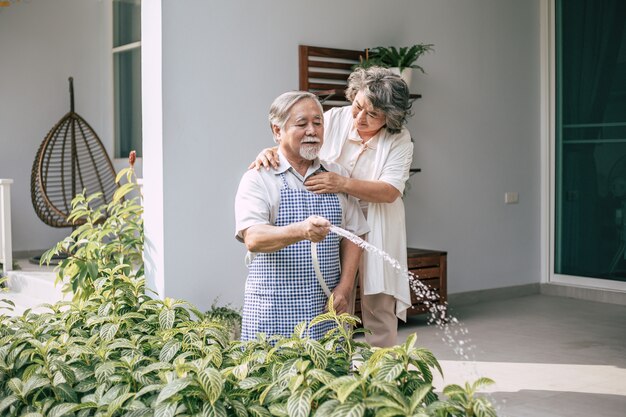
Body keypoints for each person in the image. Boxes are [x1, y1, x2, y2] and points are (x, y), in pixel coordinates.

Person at [250, 67, 413, 347]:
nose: (360, 118)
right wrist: (271, 151)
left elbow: (389, 192)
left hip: (378, 221)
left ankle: (383, 374)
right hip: (335, 218)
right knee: (337, 294)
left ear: (390, 118)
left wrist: (342, 183)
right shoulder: (336, 117)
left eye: (372, 115)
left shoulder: (399, 139)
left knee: (378, 304)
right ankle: (339, 362)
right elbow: (301, 139)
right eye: (358, 106)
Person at [235, 91, 369, 342]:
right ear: (277, 131)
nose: (312, 130)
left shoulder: (336, 174)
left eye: (318, 123)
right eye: (302, 123)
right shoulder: (258, 178)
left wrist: (346, 287)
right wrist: (302, 231)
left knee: (330, 378)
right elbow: (253, 237)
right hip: (273, 311)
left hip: (326, 308)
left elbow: (355, 232)